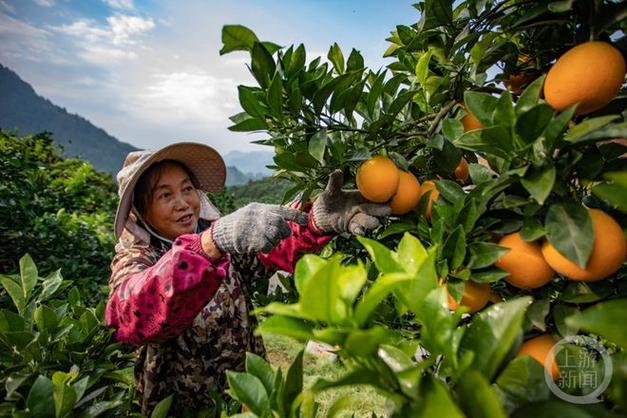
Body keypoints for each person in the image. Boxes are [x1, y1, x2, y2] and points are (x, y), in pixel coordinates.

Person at [105, 142, 391, 415]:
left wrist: (314, 223)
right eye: (165, 195)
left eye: (187, 189)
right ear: (140, 212)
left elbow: (269, 249)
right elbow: (130, 315)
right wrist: (206, 246)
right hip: (183, 408)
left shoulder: (218, 241)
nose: (183, 203)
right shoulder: (139, 258)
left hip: (246, 396)